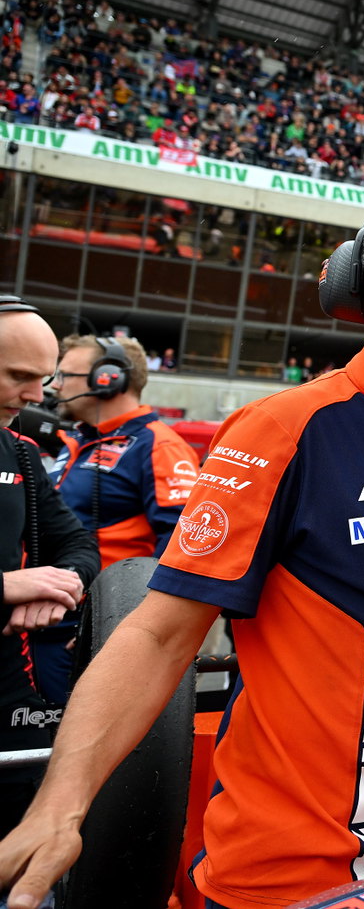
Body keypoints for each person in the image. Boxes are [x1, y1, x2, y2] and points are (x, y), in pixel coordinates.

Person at [0, 194, 364, 908]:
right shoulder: (284, 430)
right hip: (290, 879)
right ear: (362, 297)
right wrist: (60, 805)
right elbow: (159, 634)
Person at [41, 335, 200, 704]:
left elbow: (183, 545)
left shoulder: (159, 445)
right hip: (45, 619)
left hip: (91, 630)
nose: (56, 386)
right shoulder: (77, 441)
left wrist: (126, 626)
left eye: (65, 375)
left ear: (109, 378)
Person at [0, 298, 98, 832]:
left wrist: (57, 587)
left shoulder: (19, 452)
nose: (36, 396)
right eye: (19, 376)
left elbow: (78, 546)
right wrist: (6, 585)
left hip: (10, 689)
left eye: (43, 379)